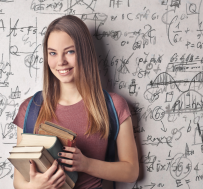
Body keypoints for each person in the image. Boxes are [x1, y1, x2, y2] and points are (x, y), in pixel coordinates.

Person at [12, 15, 138, 189]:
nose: (61, 62)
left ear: (84, 53)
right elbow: (18, 181)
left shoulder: (114, 106)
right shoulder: (30, 109)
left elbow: (131, 171)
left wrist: (86, 164)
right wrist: (36, 186)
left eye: (70, 51)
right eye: (53, 53)